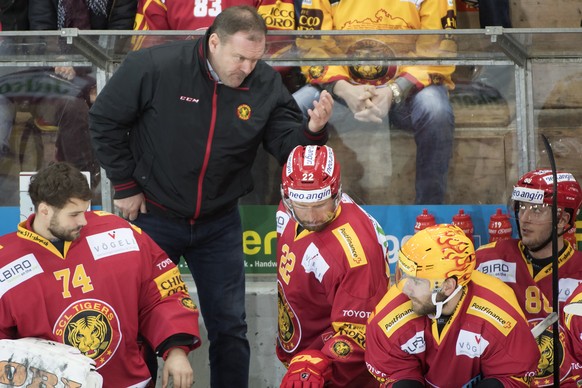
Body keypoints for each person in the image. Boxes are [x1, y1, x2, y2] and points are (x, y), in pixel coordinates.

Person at [89, 6, 333, 387]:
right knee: (138, 322)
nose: (247, 68)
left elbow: (286, 143)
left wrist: (312, 132)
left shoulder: (265, 83)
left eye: (255, 59)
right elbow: (104, 120)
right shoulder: (156, 65)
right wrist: (125, 185)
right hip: (153, 214)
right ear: (213, 41)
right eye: (239, 58)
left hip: (219, 222)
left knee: (231, 327)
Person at [0, 162, 201, 387]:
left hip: (131, 382)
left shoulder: (119, 233)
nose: (83, 221)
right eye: (74, 214)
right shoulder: (4, 262)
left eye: (85, 211)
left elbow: (161, 294)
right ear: (45, 210)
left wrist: (175, 350)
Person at [291, 0, 457, 204]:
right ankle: (297, 208)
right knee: (294, 108)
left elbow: (438, 48)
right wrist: (345, 89)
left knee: (436, 110)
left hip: (407, 91)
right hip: (343, 90)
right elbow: (311, 46)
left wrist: (394, 90)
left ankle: (429, 213)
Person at [366, 224, 540, 387]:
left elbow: (512, 377)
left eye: (417, 281)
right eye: (404, 275)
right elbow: (396, 374)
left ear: (448, 286)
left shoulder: (501, 316)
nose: (406, 289)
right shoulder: (387, 320)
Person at [276, 145, 390, 387]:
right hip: (302, 358)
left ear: (337, 191)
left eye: (320, 204)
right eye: (302, 204)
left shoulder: (356, 253)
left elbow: (360, 333)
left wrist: (316, 362)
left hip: (338, 375)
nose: (310, 216)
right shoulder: (288, 207)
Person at [475, 169, 582, 386]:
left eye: (536, 209)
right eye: (521, 207)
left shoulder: (579, 271)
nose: (524, 218)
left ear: (562, 220)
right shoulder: (485, 260)